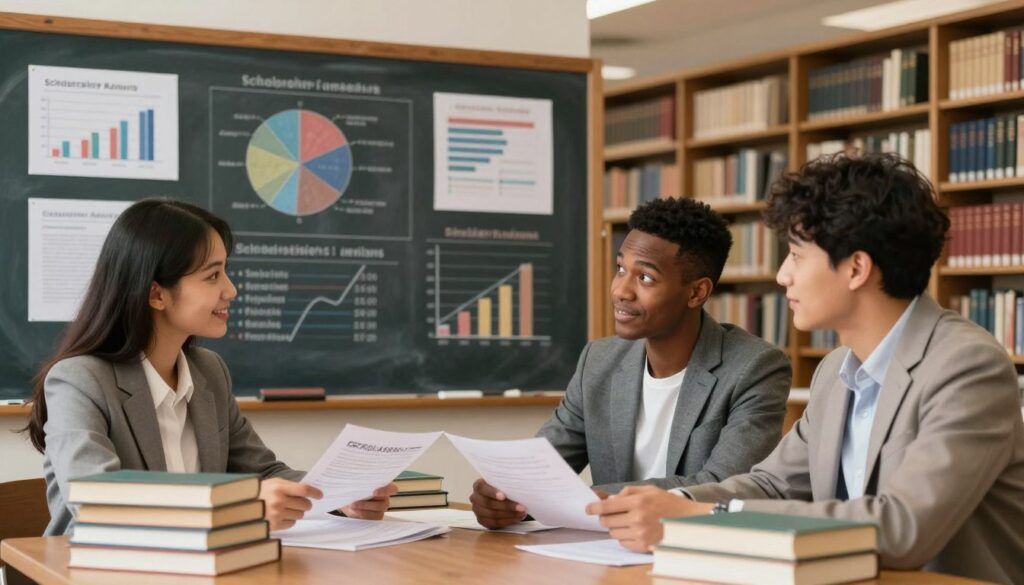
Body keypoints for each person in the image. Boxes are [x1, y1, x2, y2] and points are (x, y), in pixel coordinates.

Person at [587, 153, 1024, 585]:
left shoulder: (967, 366)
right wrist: (671, 501)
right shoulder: (836, 370)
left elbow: (903, 528)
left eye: (796, 255)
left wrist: (703, 515)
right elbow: (772, 485)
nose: (782, 276)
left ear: (856, 268)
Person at [26, 198, 397, 536]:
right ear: (156, 294)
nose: (231, 290)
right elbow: (96, 501)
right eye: (212, 276)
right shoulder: (79, 379)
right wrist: (239, 506)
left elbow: (264, 473)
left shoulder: (209, 372)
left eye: (226, 272)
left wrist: (340, 498)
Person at [472, 197, 792, 529]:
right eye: (621, 268)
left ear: (697, 293)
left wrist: (584, 498)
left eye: (646, 278)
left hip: (694, 554)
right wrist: (506, 497)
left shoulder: (755, 368)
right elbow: (540, 470)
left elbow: (723, 486)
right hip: (606, 556)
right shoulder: (599, 361)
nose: (620, 290)